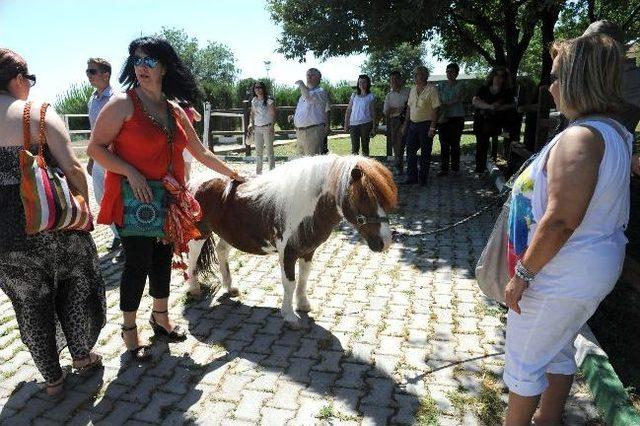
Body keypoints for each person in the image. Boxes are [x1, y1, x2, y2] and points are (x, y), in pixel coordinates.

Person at [87, 37, 243, 362]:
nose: (141, 67)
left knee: (161, 262)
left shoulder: (174, 110)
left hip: (169, 201)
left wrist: (233, 174)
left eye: (149, 61)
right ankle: (129, 331)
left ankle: (160, 318)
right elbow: (94, 149)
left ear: (164, 67)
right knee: (137, 265)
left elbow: (200, 152)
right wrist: (130, 172)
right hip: (134, 201)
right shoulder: (122, 104)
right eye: (137, 61)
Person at [503, 34, 632, 425]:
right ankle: (549, 418)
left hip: (560, 272)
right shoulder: (612, 131)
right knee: (557, 347)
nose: (550, 85)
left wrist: (522, 275)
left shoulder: (580, 137)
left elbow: (561, 220)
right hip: (585, 269)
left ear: (578, 80)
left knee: (524, 361)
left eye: (557, 76)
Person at [0, 48, 106, 397]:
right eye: (27, 80)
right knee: (77, 286)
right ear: (17, 79)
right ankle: (82, 357)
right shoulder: (37, 114)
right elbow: (75, 168)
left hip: (6, 237)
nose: (28, 86)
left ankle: (52, 380)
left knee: (30, 303)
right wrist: (83, 212)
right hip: (53, 224)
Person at [85, 57, 123, 258]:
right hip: (99, 158)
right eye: (88, 71)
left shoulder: (117, 98)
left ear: (106, 74)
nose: (88, 75)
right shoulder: (92, 100)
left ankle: (126, 240)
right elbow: (94, 132)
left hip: (116, 157)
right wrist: (91, 159)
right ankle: (118, 234)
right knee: (101, 199)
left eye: (92, 71)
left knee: (118, 198)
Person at [401, 65, 440, 186]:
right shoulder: (412, 89)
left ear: (424, 75)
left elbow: (436, 109)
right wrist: (405, 125)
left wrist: (432, 127)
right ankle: (412, 177)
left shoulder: (432, 89)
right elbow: (409, 108)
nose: (414, 76)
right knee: (410, 150)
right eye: (414, 74)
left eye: (416, 74)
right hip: (413, 125)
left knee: (425, 152)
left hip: (426, 125)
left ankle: (423, 179)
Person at [472, 66, 516, 173]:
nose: (498, 78)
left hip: (497, 123)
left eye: (501, 76)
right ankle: (480, 170)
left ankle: (509, 167)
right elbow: (475, 101)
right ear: (492, 76)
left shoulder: (506, 92)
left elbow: (508, 105)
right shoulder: (483, 89)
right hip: (482, 121)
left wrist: (495, 107)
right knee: (481, 145)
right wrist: (489, 107)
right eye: (496, 75)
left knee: (509, 140)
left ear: (504, 79)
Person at [293, 68, 330, 155]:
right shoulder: (303, 95)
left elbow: (309, 97)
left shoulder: (320, 92)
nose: (309, 77)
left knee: (312, 163)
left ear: (319, 78)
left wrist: (301, 84)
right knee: (303, 163)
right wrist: (294, 117)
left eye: (312, 75)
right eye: (307, 75)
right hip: (300, 132)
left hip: (313, 131)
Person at [437, 63, 465, 176]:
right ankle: (444, 168)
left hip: (456, 118)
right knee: (443, 144)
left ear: (457, 73)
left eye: (452, 71)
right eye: (447, 71)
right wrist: (443, 104)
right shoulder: (441, 85)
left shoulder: (460, 85)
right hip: (443, 118)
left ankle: (455, 168)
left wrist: (444, 104)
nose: (449, 74)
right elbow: (438, 98)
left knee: (455, 144)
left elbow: (457, 98)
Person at [383, 70, 410, 173]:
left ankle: (409, 165)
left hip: (410, 120)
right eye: (391, 80)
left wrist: (396, 108)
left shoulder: (408, 91)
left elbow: (411, 106)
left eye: (396, 79)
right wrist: (400, 108)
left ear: (400, 80)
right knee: (397, 145)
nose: (394, 81)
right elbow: (386, 112)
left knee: (411, 143)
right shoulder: (389, 95)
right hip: (395, 121)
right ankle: (399, 167)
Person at [344, 74, 376, 156]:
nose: (362, 84)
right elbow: (348, 110)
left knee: (365, 148)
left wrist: (374, 127)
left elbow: (373, 112)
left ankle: (365, 168)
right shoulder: (354, 95)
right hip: (353, 125)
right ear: (358, 84)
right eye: (360, 82)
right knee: (354, 148)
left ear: (368, 84)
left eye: (364, 82)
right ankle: (355, 167)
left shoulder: (370, 96)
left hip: (366, 124)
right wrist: (346, 124)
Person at [249, 81, 276, 173]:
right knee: (258, 151)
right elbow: (252, 113)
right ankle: (258, 172)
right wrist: (250, 123)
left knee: (269, 151)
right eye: (256, 87)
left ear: (263, 88)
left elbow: (273, 114)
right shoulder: (254, 100)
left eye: (260, 87)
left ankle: (272, 171)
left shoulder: (269, 100)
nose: (258, 89)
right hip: (257, 128)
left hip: (267, 127)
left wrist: (272, 127)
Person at [177, 100, 202, 182]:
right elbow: (199, 118)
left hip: (179, 137)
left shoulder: (176, 109)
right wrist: (192, 109)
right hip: (189, 138)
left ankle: (185, 182)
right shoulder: (190, 110)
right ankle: (187, 181)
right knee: (187, 162)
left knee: (182, 163)